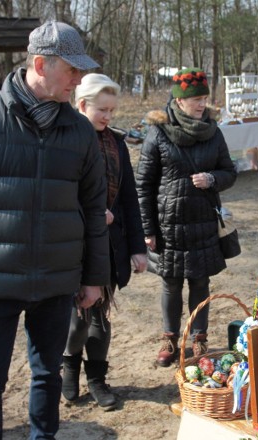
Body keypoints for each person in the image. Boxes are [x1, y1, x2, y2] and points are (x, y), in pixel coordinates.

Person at [0, 21, 109, 439]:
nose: (79, 80)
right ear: (40, 64)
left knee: (48, 377)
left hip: (55, 283)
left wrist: (93, 278)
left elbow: (92, 207)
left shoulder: (81, 131)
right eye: (72, 70)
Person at [136, 68, 237, 367]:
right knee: (170, 283)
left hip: (203, 221)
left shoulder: (213, 132)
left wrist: (212, 178)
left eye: (204, 98)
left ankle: (199, 339)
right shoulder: (158, 132)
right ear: (179, 101)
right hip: (168, 225)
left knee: (200, 282)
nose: (201, 104)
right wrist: (148, 228)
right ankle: (169, 338)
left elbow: (230, 172)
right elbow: (143, 184)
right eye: (194, 99)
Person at [62, 73, 148, 410]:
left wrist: (138, 247)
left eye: (112, 110)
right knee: (77, 318)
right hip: (72, 246)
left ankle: (97, 378)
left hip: (110, 246)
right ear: (82, 105)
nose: (108, 117)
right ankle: (69, 367)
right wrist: (93, 214)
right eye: (102, 109)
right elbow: (60, 194)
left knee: (100, 317)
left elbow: (129, 198)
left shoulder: (117, 144)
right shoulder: (66, 139)